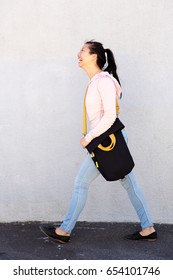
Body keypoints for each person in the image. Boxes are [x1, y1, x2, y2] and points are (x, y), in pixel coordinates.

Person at [40, 40, 157, 243]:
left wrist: (88, 138)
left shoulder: (103, 81)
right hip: (107, 141)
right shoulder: (96, 81)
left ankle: (64, 231)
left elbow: (110, 116)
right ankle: (148, 228)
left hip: (106, 142)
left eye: (83, 51)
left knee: (80, 183)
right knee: (129, 183)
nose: (78, 54)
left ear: (94, 56)